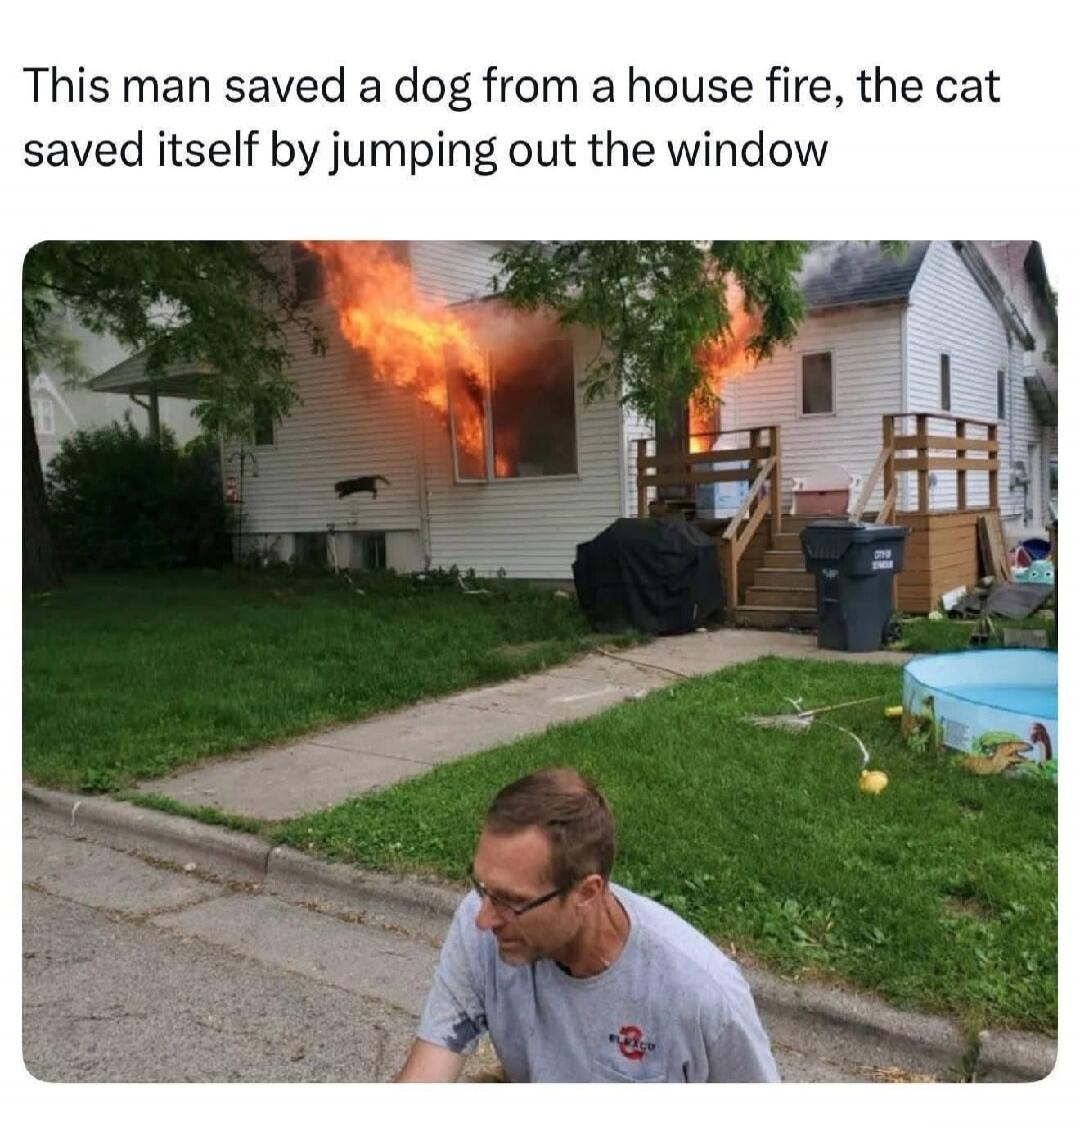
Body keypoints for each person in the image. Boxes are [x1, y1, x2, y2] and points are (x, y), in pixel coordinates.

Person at [396, 767, 780, 1083]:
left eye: (512, 900)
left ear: (586, 893)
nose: (484, 918)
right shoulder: (480, 921)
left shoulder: (702, 996)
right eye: (482, 887)